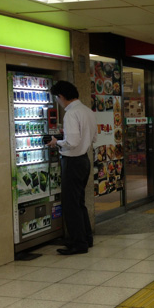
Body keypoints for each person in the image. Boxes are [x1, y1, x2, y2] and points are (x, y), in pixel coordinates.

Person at [48, 81, 97, 255]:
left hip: (72, 162)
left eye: (57, 97)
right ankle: (86, 238)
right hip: (84, 160)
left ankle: (78, 243)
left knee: (71, 204)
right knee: (79, 202)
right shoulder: (87, 111)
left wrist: (57, 142)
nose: (58, 101)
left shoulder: (71, 114)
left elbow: (72, 142)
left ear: (61, 96)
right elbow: (93, 137)